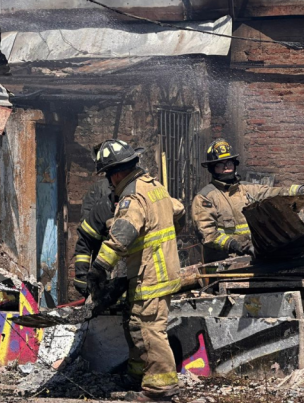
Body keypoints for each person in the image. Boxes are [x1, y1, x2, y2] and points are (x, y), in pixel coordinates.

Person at [89, 139, 185, 402]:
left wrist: (99, 268)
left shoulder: (132, 197)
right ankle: (137, 376)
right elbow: (178, 210)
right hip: (158, 271)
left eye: (108, 176)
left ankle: (160, 390)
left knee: (150, 329)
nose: (110, 183)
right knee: (135, 324)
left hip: (151, 275)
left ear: (116, 174)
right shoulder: (154, 187)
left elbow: (122, 235)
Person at [191, 138, 304, 263]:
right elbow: (207, 234)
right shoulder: (205, 198)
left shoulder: (248, 189)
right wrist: (236, 246)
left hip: (252, 260)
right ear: (212, 168)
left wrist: (300, 190)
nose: (226, 167)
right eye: (220, 164)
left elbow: (273, 192)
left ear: (235, 164)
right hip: (222, 265)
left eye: (229, 163)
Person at [72, 144, 114, 298]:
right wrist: (82, 276)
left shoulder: (99, 189)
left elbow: (85, 236)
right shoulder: (100, 191)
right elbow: (87, 233)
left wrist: (81, 275)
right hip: (105, 259)